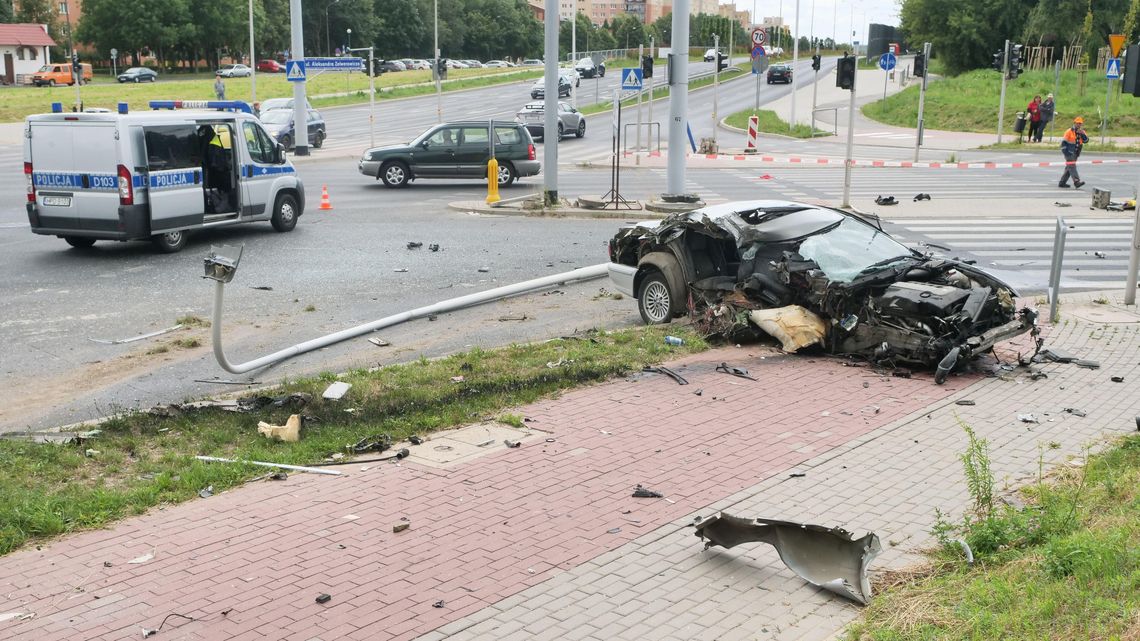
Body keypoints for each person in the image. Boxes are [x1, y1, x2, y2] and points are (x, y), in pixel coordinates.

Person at [1059, 116, 1088, 189]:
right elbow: (1063, 143)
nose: (1079, 125)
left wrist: (1082, 134)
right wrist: (1066, 153)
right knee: (1072, 166)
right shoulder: (1069, 131)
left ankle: (1062, 182)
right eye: (1077, 123)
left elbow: (1086, 141)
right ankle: (1076, 181)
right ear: (1074, 123)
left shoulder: (1082, 132)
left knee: (1069, 168)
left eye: (1080, 123)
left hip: (1076, 152)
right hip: (1069, 152)